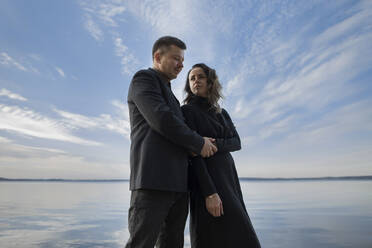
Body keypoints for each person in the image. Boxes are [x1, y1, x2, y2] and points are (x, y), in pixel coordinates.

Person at [125, 37, 217, 248]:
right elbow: (161, 119)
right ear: (158, 57)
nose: (181, 65)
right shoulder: (143, 79)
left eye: (183, 60)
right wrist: (197, 143)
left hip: (179, 186)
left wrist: (193, 147)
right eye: (176, 58)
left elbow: (178, 130)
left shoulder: (173, 97)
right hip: (152, 183)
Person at [182, 63, 261, 248]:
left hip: (228, 178)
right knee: (211, 235)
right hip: (207, 179)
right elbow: (194, 155)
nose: (196, 81)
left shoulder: (221, 112)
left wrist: (213, 143)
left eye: (200, 77)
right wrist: (209, 193)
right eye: (192, 79)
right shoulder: (186, 111)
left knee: (243, 236)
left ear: (210, 82)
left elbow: (237, 142)